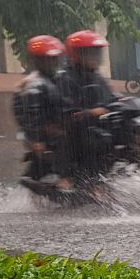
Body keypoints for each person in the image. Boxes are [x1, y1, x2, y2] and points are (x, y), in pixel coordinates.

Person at [59, 30, 116, 182]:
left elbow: (110, 97)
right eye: (91, 53)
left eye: (97, 53)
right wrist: (90, 112)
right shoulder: (67, 78)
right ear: (77, 54)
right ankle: (85, 179)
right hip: (78, 128)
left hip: (100, 123)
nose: (96, 57)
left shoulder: (96, 76)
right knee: (97, 139)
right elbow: (68, 110)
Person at [13, 35, 70, 187]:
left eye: (54, 58)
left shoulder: (56, 79)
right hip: (44, 134)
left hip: (53, 128)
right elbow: (32, 114)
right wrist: (36, 139)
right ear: (37, 60)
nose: (52, 62)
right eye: (47, 59)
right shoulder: (33, 85)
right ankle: (65, 179)